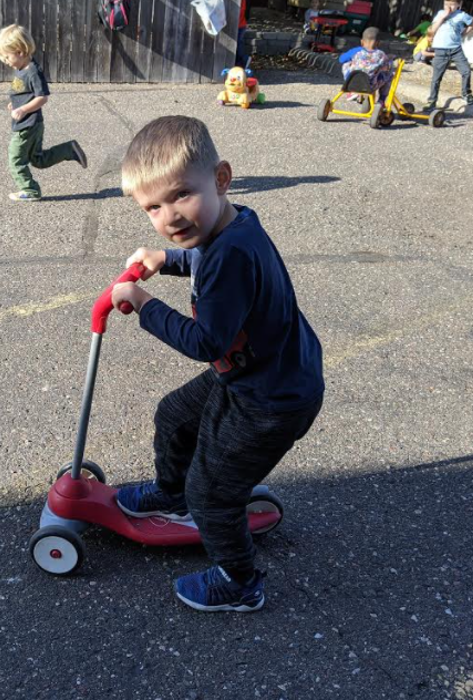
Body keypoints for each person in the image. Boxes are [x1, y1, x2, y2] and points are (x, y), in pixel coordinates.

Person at [110, 116, 325, 613]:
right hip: (255, 371)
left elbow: (205, 340)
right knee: (175, 416)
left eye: (182, 195)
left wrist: (144, 304)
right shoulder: (230, 225)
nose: (170, 217)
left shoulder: (231, 253)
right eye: (153, 208)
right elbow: (204, 256)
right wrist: (166, 258)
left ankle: (240, 581)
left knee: (212, 494)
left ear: (222, 178)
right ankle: (170, 494)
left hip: (271, 396)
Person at [0, 24, 87, 202]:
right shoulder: (21, 69)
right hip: (30, 123)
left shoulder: (34, 72)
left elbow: (42, 97)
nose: (5, 61)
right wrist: (14, 104)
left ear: (20, 51)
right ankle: (68, 150)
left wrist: (22, 109)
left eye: (6, 56)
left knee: (15, 159)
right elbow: (24, 93)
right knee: (38, 159)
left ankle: (30, 190)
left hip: (28, 125)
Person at [424, 0, 473, 110]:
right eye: (445, 4)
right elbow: (431, 31)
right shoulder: (440, 14)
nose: (448, 7)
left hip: (456, 49)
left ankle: (466, 93)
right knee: (436, 77)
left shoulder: (461, 15)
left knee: (466, 71)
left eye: (452, 5)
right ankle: (432, 100)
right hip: (440, 50)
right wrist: (443, 17)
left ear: (459, 5)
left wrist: (464, 33)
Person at [339, 27, 394, 103]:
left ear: (362, 42)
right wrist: (390, 61)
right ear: (378, 43)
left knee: (346, 64)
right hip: (370, 85)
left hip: (352, 83)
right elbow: (388, 66)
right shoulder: (381, 54)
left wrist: (352, 61)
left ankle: (352, 92)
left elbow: (341, 59)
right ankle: (381, 100)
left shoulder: (356, 51)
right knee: (390, 74)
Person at [235, 0, 250, 68]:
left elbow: (241, 10)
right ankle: (240, 63)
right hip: (241, 24)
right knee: (238, 44)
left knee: (238, 44)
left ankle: (244, 61)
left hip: (239, 25)